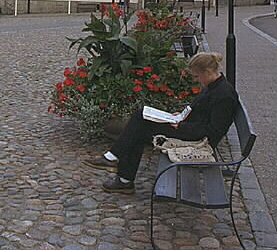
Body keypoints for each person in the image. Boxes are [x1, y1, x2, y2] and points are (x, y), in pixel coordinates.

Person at [82, 52, 238, 194]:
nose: (196, 80)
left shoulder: (223, 95)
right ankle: (122, 177)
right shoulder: (213, 87)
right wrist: (181, 116)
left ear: (208, 72)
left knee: (139, 124)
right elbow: (199, 111)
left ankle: (116, 165)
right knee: (140, 122)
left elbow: (213, 130)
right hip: (188, 128)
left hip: (197, 139)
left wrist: (181, 125)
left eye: (197, 77)